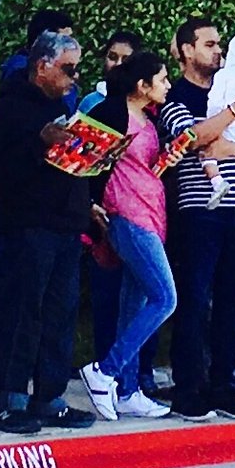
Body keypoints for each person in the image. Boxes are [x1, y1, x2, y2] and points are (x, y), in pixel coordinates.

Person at [0, 25, 98, 437]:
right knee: (22, 313)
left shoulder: (61, 107)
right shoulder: (11, 109)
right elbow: (3, 168)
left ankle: (50, 395)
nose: (73, 77)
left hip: (65, 223)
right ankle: (10, 399)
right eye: (67, 69)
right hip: (28, 226)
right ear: (42, 66)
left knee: (59, 314)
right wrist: (38, 141)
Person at [158, 17, 235, 420]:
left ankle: (228, 386)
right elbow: (190, 137)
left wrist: (232, 146)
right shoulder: (177, 96)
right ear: (187, 50)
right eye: (208, 44)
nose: (218, 51)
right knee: (194, 300)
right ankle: (190, 388)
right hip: (199, 210)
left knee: (232, 302)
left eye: (219, 44)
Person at [79, 50, 180, 418]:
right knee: (165, 297)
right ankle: (104, 371)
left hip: (151, 214)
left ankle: (128, 388)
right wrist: (90, 204)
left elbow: (144, 166)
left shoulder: (149, 120)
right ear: (142, 85)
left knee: (134, 303)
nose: (168, 86)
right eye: (163, 79)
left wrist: (168, 159)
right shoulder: (110, 112)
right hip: (126, 215)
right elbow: (82, 161)